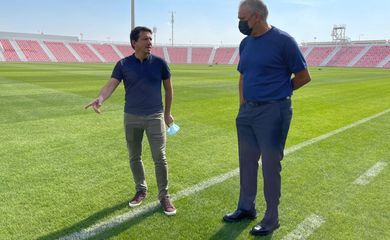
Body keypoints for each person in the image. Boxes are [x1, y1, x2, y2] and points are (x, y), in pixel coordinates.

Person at [223, 0, 311, 236]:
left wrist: (280, 91)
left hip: (274, 112)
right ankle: (246, 207)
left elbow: (303, 76)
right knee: (247, 162)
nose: (239, 23)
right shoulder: (245, 43)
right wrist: (242, 106)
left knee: (271, 166)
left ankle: (272, 219)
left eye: (242, 18)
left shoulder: (283, 41)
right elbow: (242, 77)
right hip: (247, 112)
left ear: (257, 16)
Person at [85, 26, 176, 216]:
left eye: (151, 39)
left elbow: (169, 90)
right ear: (134, 43)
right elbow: (111, 84)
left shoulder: (160, 63)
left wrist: (167, 114)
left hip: (155, 117)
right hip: (131, 117)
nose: (149, 42)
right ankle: (141, 190)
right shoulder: (123, 64)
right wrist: (100, 98)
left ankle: (164, 196)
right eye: (145, 39)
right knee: (135, 156)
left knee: (160, 157)